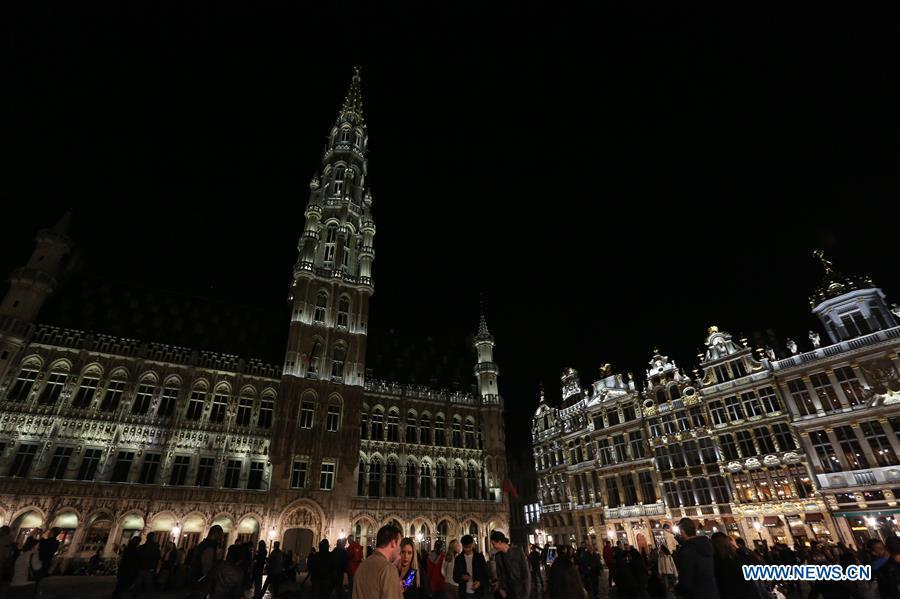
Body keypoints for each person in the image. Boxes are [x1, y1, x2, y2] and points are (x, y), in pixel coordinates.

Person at [351, 524, 403, 599]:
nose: (399, 548)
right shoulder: (388, 569)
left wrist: (395, 589)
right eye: (399, 544)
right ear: (393, 543)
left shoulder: (362, 566)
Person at [673, 518, 719, 599]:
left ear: (682, 532)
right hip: (711, 593)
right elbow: (691, 543)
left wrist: (676, 589)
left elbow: (685, 583)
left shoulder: (686, 552)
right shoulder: (706, 545)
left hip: (695, 594)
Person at [710, 532, 765, 599]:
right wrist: (738, 548)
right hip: (748, 594)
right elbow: (755, 563)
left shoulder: (714, 563)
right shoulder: (736, 558)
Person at [489, 530, 530, 599]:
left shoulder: (518, 552)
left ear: (499, 542)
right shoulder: (498, 556)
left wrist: (526, 594)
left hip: (520, 592)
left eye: (493, 544)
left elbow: (526, 574)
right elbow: (500, 575)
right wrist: (501, 589)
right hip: (507, 593)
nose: (493, 546)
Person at [190, 524, 224, 598]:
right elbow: (207, 569)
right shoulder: (210, 547)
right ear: (216, 534)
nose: (221, 538)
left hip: (196, 579)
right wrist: (218, 559)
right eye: (221, 535)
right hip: (203, 583)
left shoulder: (202, 545)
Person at [133, 532, 161, 597]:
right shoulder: (155, 547)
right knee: (148, 586)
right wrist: (157, 568)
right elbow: (158, 558)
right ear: (153, 538)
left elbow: (137, 558)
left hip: (140, 568)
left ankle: (135, 596)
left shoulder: (142, 547)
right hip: (150, 569)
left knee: (138, 585)